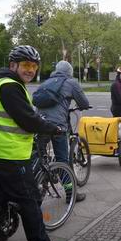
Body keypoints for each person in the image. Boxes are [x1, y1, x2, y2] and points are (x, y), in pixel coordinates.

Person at [0, 45, 68, 241]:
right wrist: (52, 128)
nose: (30, 70)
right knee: (29, 199)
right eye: (26, 65)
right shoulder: (11, 86)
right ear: (13, 65)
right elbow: (28, 120)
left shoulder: (2, 83)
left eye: (33, 66)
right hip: (11, 154)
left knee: (1, 194)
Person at [35, 60, 90, 202]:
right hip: (57, 126)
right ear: (69, 73)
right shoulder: (71, 83)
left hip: (39, 123)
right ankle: (71, 194)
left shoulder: (46, 83)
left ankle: (36, 185)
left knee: (38, 157)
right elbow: (83, 103)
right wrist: (83, 106)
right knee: (63, 160)